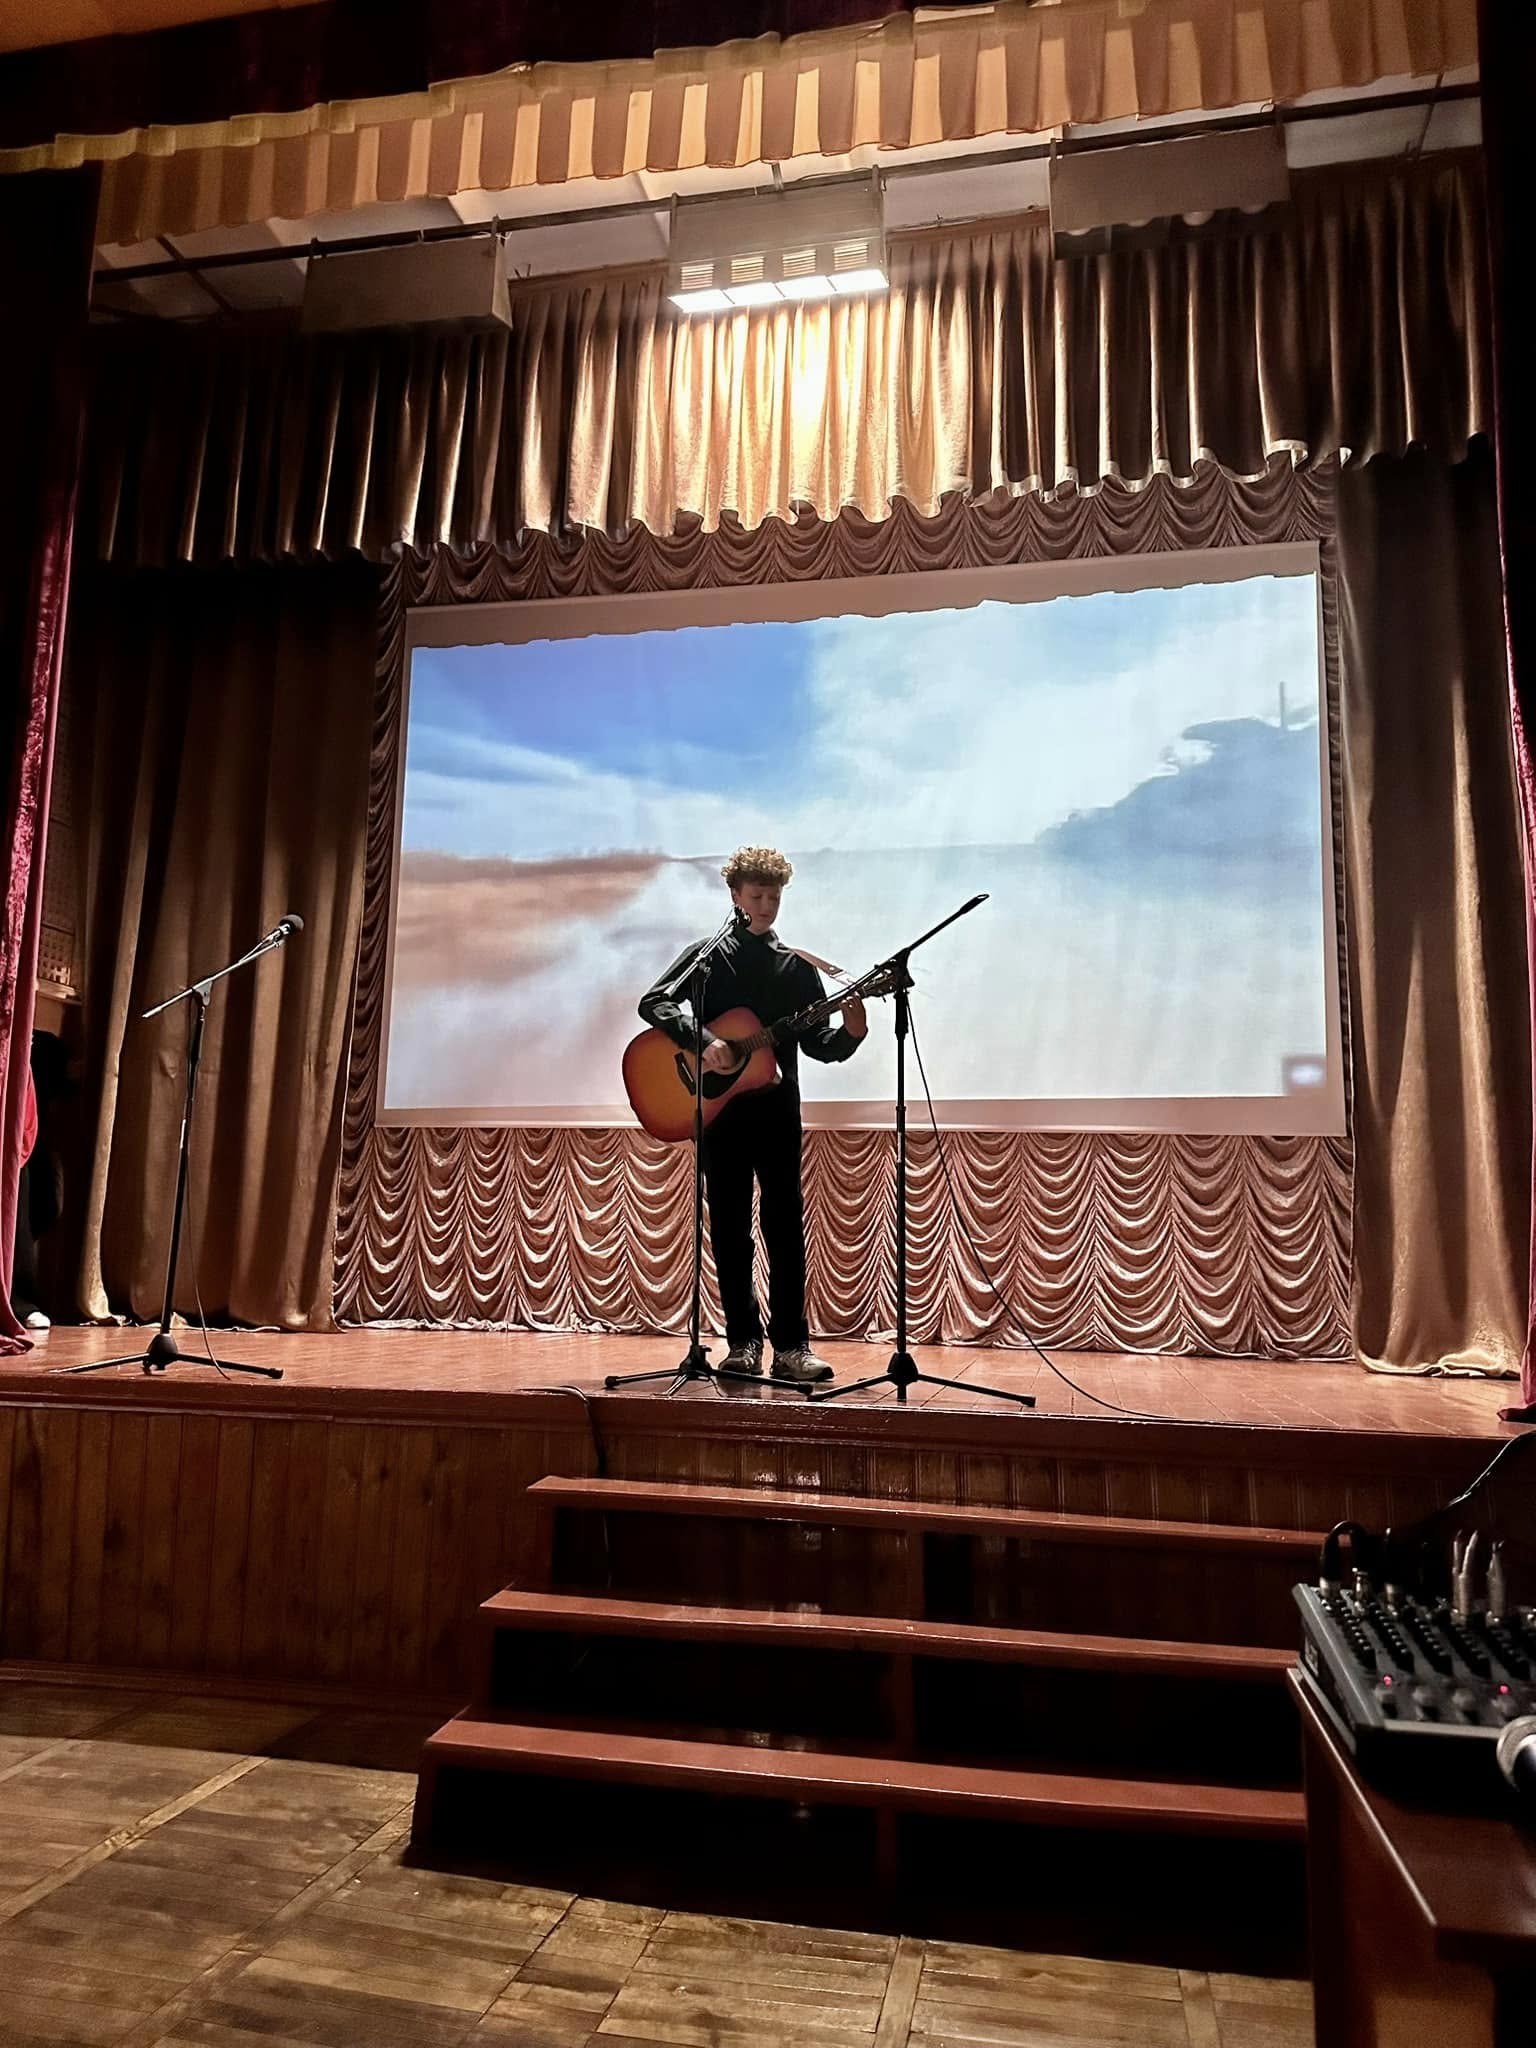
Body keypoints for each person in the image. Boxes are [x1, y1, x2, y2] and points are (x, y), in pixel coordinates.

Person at [639, 846, 868, 1384]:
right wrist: (704, 1041)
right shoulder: (707, 956)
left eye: (775, 897)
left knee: (785, 1226)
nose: (767, 905)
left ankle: (792, 1346)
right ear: (735, 896)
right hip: (719, 1113)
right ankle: (741, 1343)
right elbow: (655, 1002)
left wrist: (852, 1034)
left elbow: (818, 1043)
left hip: (777, 1110)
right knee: (729, 1228)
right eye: (758, 895)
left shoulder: (796, 967)